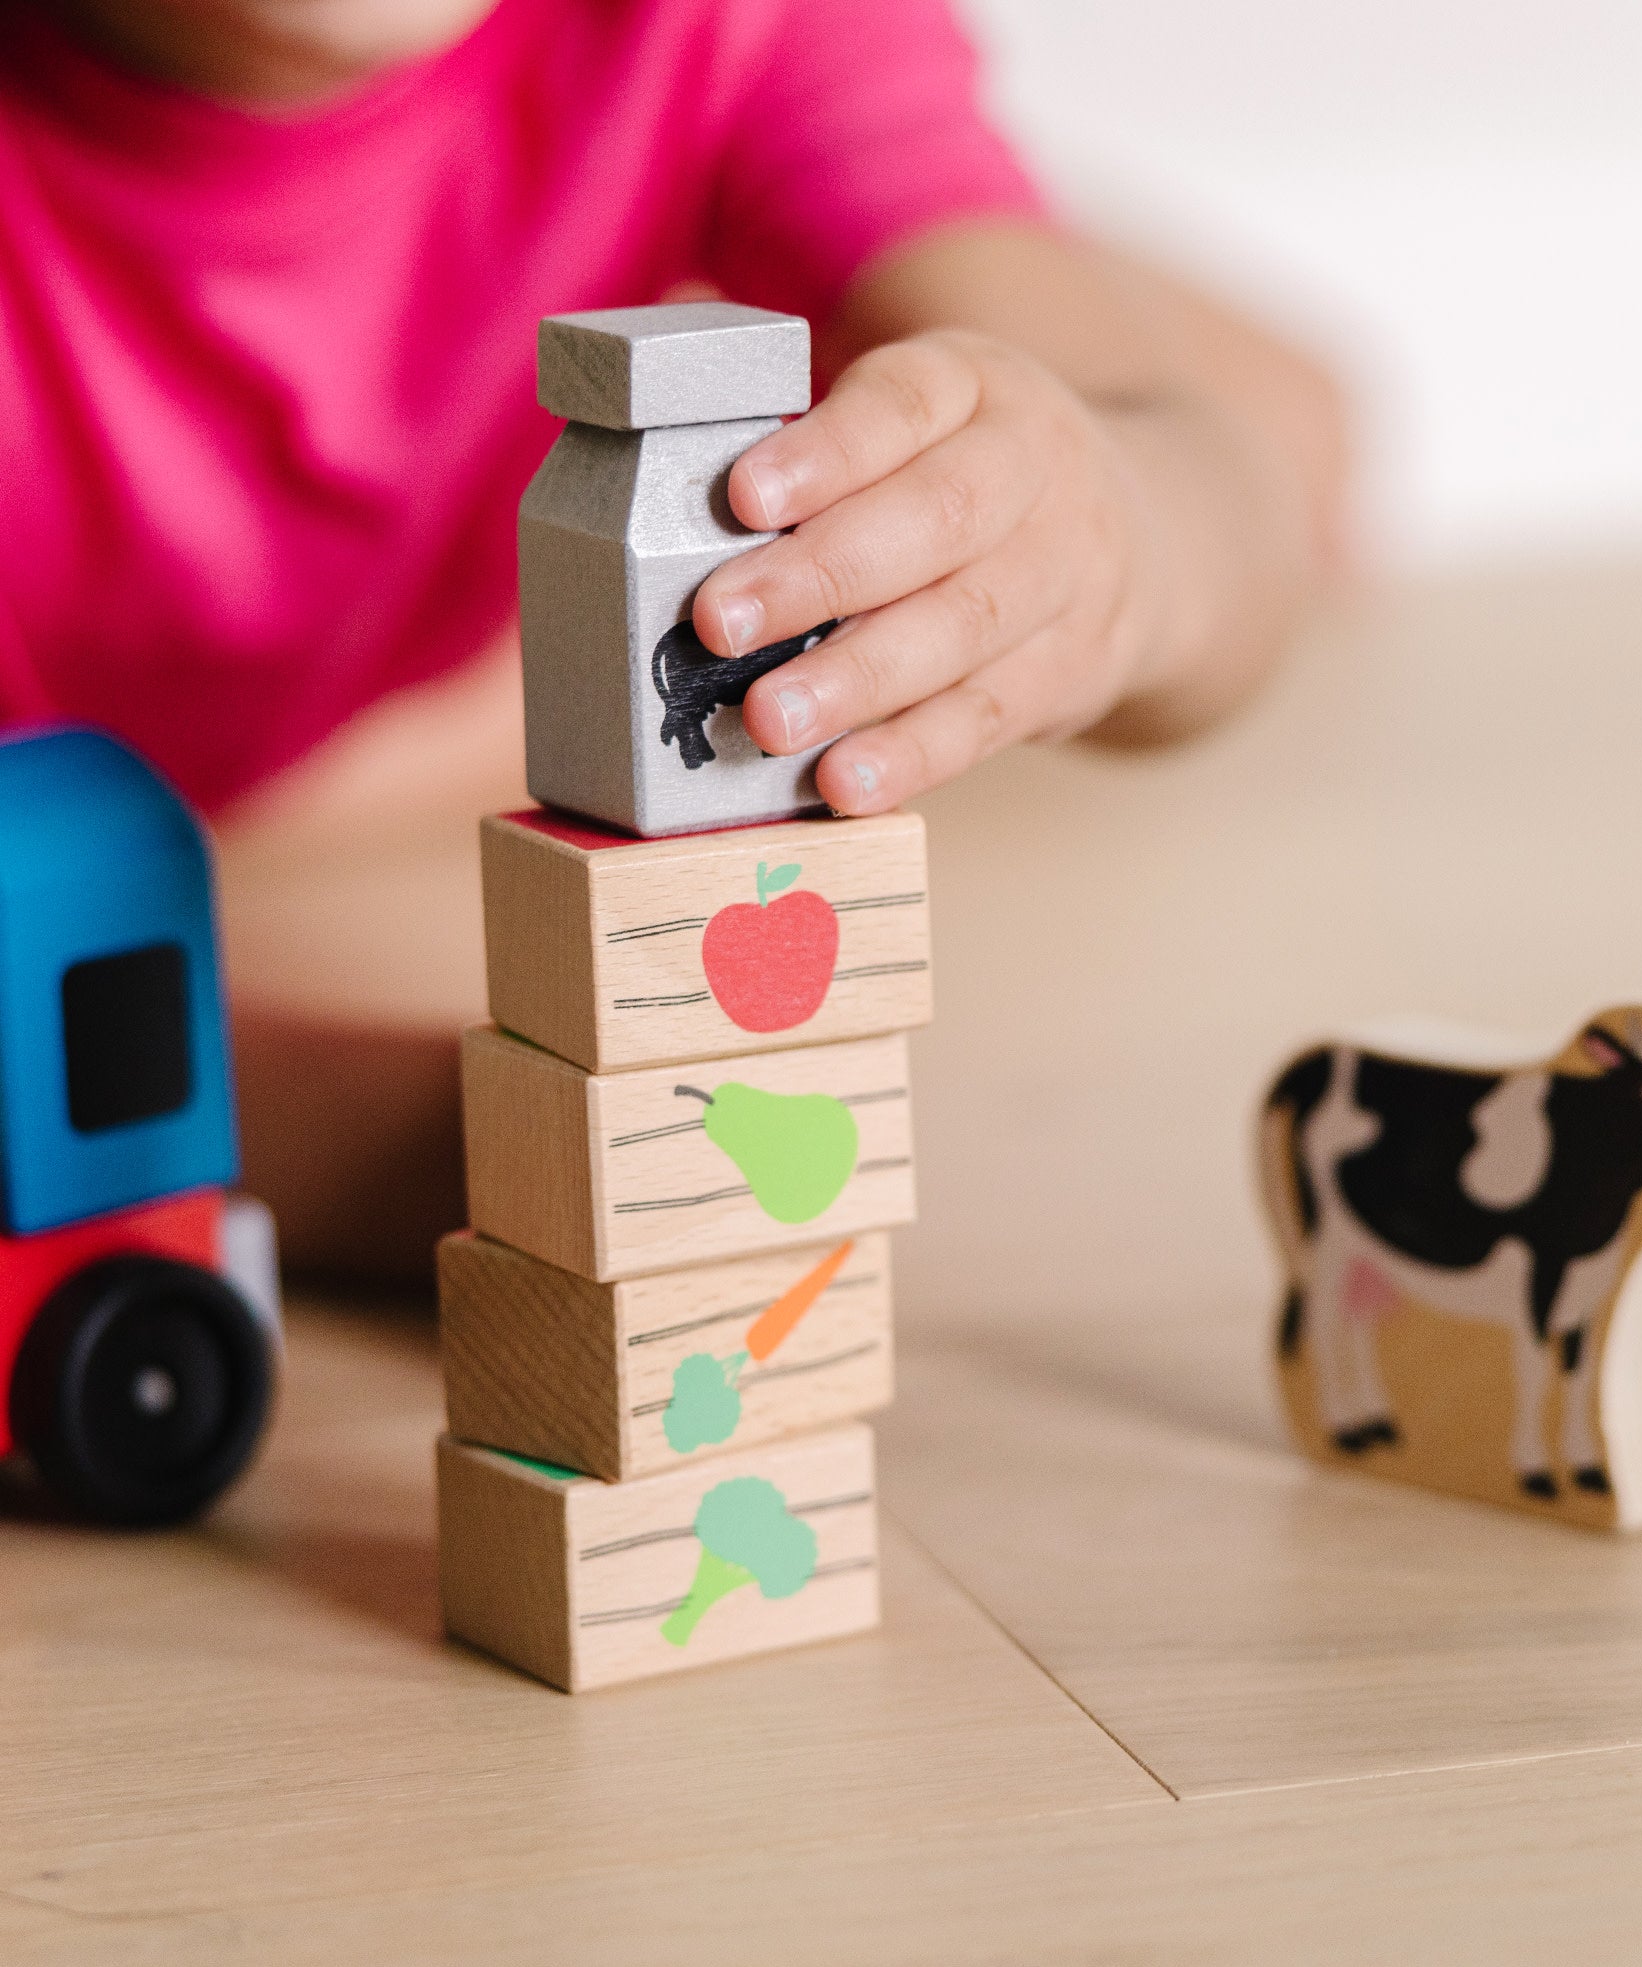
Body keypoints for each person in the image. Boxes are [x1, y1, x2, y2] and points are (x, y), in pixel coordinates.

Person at [0, 0, 1349, 1278]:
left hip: (427, 556)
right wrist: (486, 1134)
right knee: (172, 832)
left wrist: (1115, 534)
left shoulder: (714, 30)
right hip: (153, 701)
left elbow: (1206, 500)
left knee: (1288, 439)